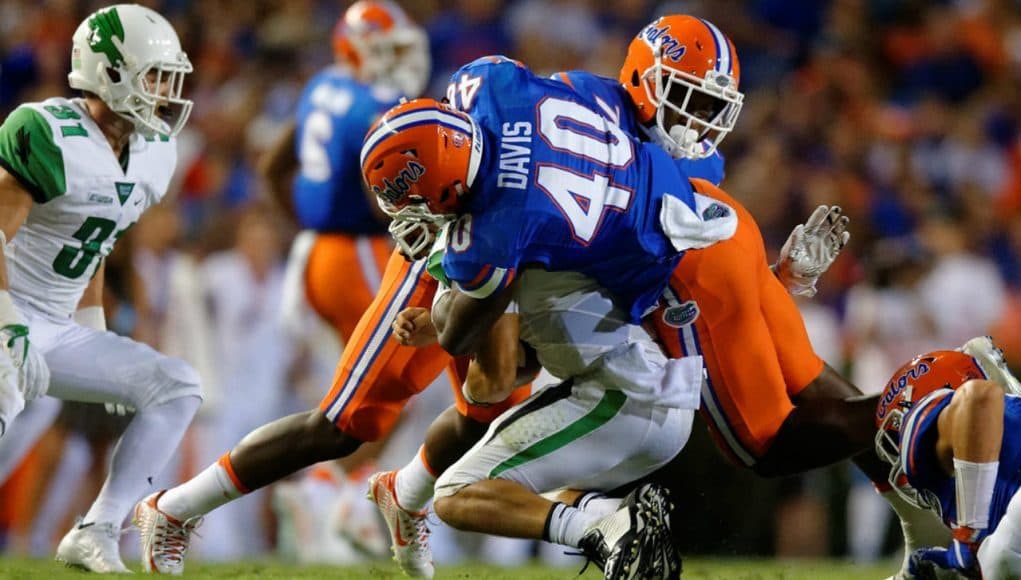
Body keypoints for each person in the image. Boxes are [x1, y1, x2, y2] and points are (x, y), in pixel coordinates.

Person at [372, 15, 947, 580]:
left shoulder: (501, 225)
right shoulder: (531, 104)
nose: (697, 120)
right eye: (686, 98)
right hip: (706, 243)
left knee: (769, 444)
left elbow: (494, 365)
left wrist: (446, 256)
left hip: (686, 269)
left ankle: (930, 402)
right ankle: (922, 519)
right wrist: (772, 279)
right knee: (813, 383)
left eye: (705, 105)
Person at [0, 4, 203, 572]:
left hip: (54, 329)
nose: (165, 91)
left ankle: (97, 529)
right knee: (6, 400)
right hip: (8, 313)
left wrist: (92, 331)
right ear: (110, 73)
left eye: (169, 78)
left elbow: (96, 239)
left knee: (177, 386)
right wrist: (6, 323)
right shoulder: (48, 133)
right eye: (154, 75)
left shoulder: (154, 151)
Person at [261, 0, 429, 342]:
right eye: (389, 50)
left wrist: (310, 222)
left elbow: (272, 167)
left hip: (313, 253)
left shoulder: (321, 85)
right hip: (357, 254)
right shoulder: (376, 105)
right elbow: (380, 205)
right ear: (357, 50)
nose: (400, 61)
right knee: (400, 361)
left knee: (359, 371)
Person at [873, 337, 1021, 580]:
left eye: (895, 436)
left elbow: (979, 397)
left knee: (995, 561)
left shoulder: (931, 429)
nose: (898, 452)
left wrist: (967, 537)